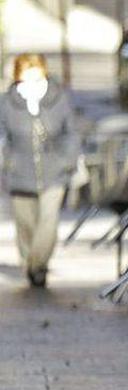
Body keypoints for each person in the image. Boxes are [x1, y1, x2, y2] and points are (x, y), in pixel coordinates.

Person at [1, 54, 80, 287]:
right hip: (19, 170)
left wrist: (67, 159)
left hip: (53, 170)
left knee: (48, 220)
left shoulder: (58, 98)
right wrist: (7, 160)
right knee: (24, 223)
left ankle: (38, 264)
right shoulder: (7, 102)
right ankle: (29, 262)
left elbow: (71, 132)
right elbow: (2, 133)